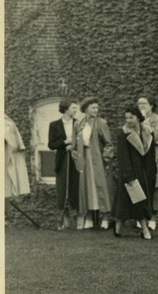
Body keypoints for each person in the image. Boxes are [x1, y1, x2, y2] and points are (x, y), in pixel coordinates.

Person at [112, 105, 153, 239]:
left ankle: (120, 230)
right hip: (128, 174)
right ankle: (142, 230)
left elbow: (149, 155)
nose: (128, 120)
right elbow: (122, 157)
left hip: (142, 173)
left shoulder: (146, 132)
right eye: (126, 118)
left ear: (138, 118)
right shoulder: (123, 134)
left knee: (138, 202)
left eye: (131, 117)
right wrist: (128, 176)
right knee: (127, 204)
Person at [75, 97, 113, 230]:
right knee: (87, 187)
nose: (96, 110)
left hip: (97, 159)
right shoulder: (79, 124)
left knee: (101, 188)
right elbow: (75, 144)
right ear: (86, 109)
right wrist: (77, 160)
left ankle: (105, 218)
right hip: (84, 159)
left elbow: (109, 143)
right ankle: (89, 217)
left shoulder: (102, 123)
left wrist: (106, 159)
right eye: (93, 108)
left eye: (97, 108)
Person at [47, 99, 81, 230]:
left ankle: (77, 218)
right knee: (62, 188)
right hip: (62, 160)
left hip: (76, 159)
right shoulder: (54, 125)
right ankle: (63, 218)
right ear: (65, 109)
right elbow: (51, 145)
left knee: (75, 186)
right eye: (73, 108)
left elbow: (82, 140)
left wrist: (73, 145)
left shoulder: (78, 123)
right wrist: (64, 142)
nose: (75, 110)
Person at [138, 95, 158, 231]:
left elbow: (156, 135)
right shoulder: (135, 120)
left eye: (144, 103)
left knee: (156, 188)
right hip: (140, 157)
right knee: (140, 185)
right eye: (139, 104)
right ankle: (141, 218)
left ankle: (152, 219)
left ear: (151, 105)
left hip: (155, 157)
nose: (141, 106)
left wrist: (145, 122)